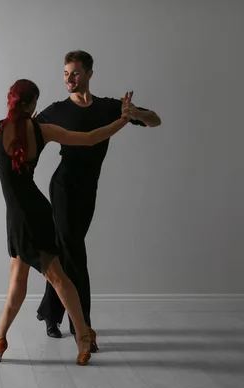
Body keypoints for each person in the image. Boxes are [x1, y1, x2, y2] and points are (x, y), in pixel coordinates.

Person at [0, 78, 135, 366]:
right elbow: (89, 138)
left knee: (57, 278)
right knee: (17, 284)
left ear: (10, 100)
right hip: (24, 216)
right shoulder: (42, 131)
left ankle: (84, 335)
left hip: (29, 219)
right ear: (33, 103)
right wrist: (121, 121)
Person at [34, 50, 162, 351]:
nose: (69, 78)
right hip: (63, 187)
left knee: (66, 252)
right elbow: (27, 131)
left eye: (76, 73)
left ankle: (49, 312)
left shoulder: (109, 108)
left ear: (89, 74)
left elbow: (155, 120)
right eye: (66, 73)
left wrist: (136, 115)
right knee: (76, 255)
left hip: (88, 190)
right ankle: (85, 329)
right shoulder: (57, 110)